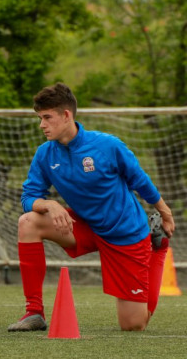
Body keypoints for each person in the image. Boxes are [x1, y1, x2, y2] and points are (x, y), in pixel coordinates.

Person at [9, 82, 175, 332]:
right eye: (39, 118)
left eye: (47, 117)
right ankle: (34, 312)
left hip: (125, 234)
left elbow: (140, 180)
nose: (41, 124)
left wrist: (165, 212)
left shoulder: (107, 145)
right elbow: (28, 198)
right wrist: (49, 204)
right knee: (29, 222)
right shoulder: (45, 155)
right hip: (85, 226)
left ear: (67, 115)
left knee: (133, 325)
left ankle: (158, 248)